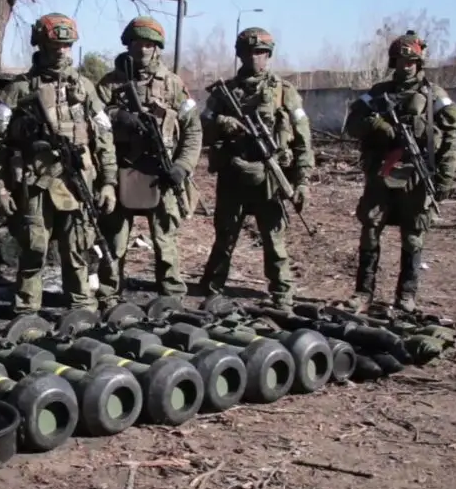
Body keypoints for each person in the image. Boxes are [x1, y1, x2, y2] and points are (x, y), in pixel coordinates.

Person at [0, 13, 117, 314]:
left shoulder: (85, 88)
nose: (61, 51)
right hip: (36, 183)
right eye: (54, 45)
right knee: (33, 249)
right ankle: (27, 311)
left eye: (67, 46)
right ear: (41, 46)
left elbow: (104, 137)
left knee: (77, 248)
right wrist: (1, 188)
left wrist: (108, 182)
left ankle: (81, 308)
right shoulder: (18, 89)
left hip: (76, 182)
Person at [343, 30, 456, 312]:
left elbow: (451, 137)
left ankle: (406, 294)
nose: (405, 66)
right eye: (400, 60)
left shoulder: (434, 97)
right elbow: (352, 125)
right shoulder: (377, 94)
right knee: (370, 231)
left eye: (410, 62)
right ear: (392, 62)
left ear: (419, 64)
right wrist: (377, 126)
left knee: (413, 236)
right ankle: (363, 292)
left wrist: (445, 178)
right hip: (381, 176)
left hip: (416, 178)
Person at [198, 27, 313, 310]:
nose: (256, 59)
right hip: (233, 173)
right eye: (250, 53)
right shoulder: (225, 92)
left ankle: (282, 291)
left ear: (269, 56)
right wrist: (224, 123)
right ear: (240, 55)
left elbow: (302, 139)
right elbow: (202, 125)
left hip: (269, 176)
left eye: (261, 53)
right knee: (225, 234)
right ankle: (213, 285)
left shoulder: (283, 92)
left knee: (273, 238)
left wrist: (302, 181)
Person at [95, 16, 201, 304]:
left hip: (161, 173)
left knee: (165, 242)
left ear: (158, 48)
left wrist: (182, 166)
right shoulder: (108, 85)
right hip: (122, 171)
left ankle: (172, 298)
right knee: (114, 241)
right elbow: (93, 125)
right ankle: (108, 295)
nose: (143, 50)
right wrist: (119, 118)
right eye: (137, 43)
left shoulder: (174, 85)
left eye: (149, 44)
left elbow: (193, 131)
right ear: (128, 44)